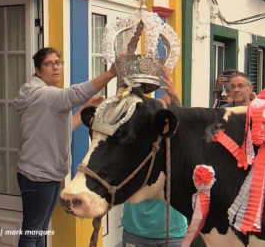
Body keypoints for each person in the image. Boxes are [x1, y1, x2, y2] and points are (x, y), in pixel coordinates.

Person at [14, 47, 117, 247]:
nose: (55, 67)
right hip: (38, 175)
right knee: (32, 232)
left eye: (58, 62)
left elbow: (66, 126)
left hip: (47, 173)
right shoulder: (45, 94)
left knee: (41, 230)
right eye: (49, 64)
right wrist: (110, 74)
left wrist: (85, 108)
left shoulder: (43, 96)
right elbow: (74, 94)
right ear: (37, 70)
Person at [121, 67, 188, 247]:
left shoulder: (178, 147)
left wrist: (175, 98)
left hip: (171, 232)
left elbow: (180, 129)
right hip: (136, 231)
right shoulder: (135, 143)